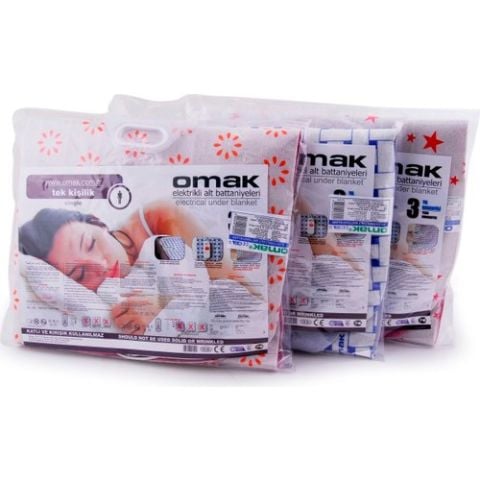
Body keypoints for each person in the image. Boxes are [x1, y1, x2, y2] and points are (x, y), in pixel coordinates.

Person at [19, 201, 246, 335]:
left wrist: (164, 309)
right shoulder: (116, 294)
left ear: (98, 222)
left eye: (90, 244)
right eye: (80, 274)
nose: (100, 265)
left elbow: (239, 290)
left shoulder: (161, 222)